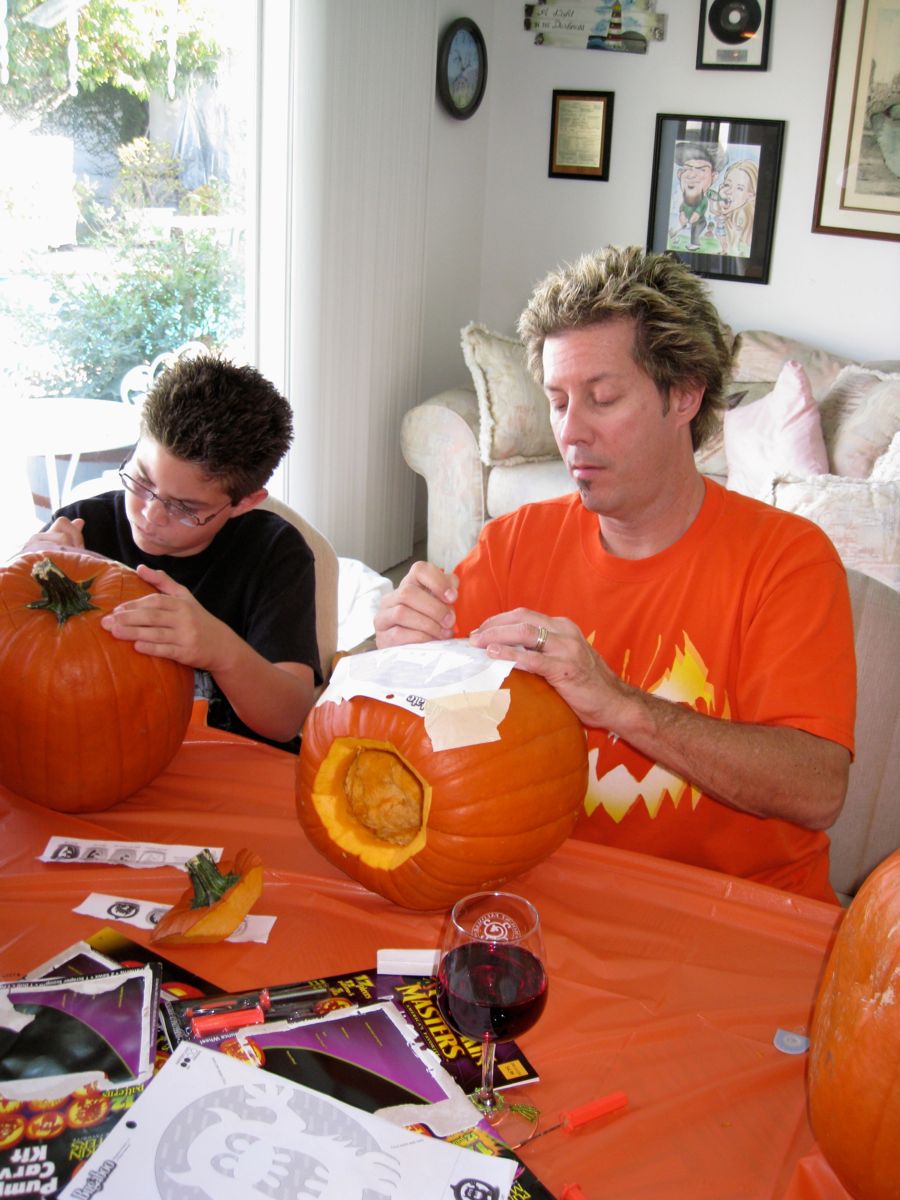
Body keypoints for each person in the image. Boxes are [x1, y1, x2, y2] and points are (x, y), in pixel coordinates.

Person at [375, 246, 856, 903]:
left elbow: (817, 789)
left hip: (744, 908)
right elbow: (411, 719)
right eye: (558, 401)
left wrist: (623, 706)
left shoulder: (787, 559)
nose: (571, 432)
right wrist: (393, 655)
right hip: (551, 888)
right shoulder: (516, 542)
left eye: (602, 399)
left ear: (684, 394)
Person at [23, 355, 321, 753]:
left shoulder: (275, 553)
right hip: (94, 753)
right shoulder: (80, 529)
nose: (150, 514)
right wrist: (18, 575)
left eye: (184, 508)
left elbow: (286, 722)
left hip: (228, 764)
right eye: (142, 479)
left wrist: (221, 650)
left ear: (244, 503)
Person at [669, 141, 727, 251]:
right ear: (680, 174)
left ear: (713, 177)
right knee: (682, 226)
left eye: (701, 170)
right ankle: (675, 234)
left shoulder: (703, 199)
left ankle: (695, 244)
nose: (692, 175)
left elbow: (701, 208)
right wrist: (682, 213)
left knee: (695, 231)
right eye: (688, 168)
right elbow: (683, 207)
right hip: (688, 219)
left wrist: (695, 214)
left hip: (699, 221)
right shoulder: (685, 199)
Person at [716, 158, 758, 258]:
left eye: (739, 188)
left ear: (751, 195)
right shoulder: (726, 217)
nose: (728, 191)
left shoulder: (746, 222)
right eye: (727, 184)